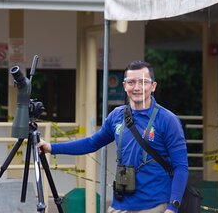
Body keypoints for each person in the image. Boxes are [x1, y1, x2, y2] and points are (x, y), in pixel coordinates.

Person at [38, 60, 188, 213]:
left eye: (143, 82)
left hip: (154, 206)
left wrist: (172, 207)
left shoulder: (168, 120)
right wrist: (51, 148)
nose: (137, 87)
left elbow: (181, 167)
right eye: (131, 82)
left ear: (153, 86)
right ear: (124, 86)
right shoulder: (117, 115)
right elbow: (91, 143)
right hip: (119, 205)